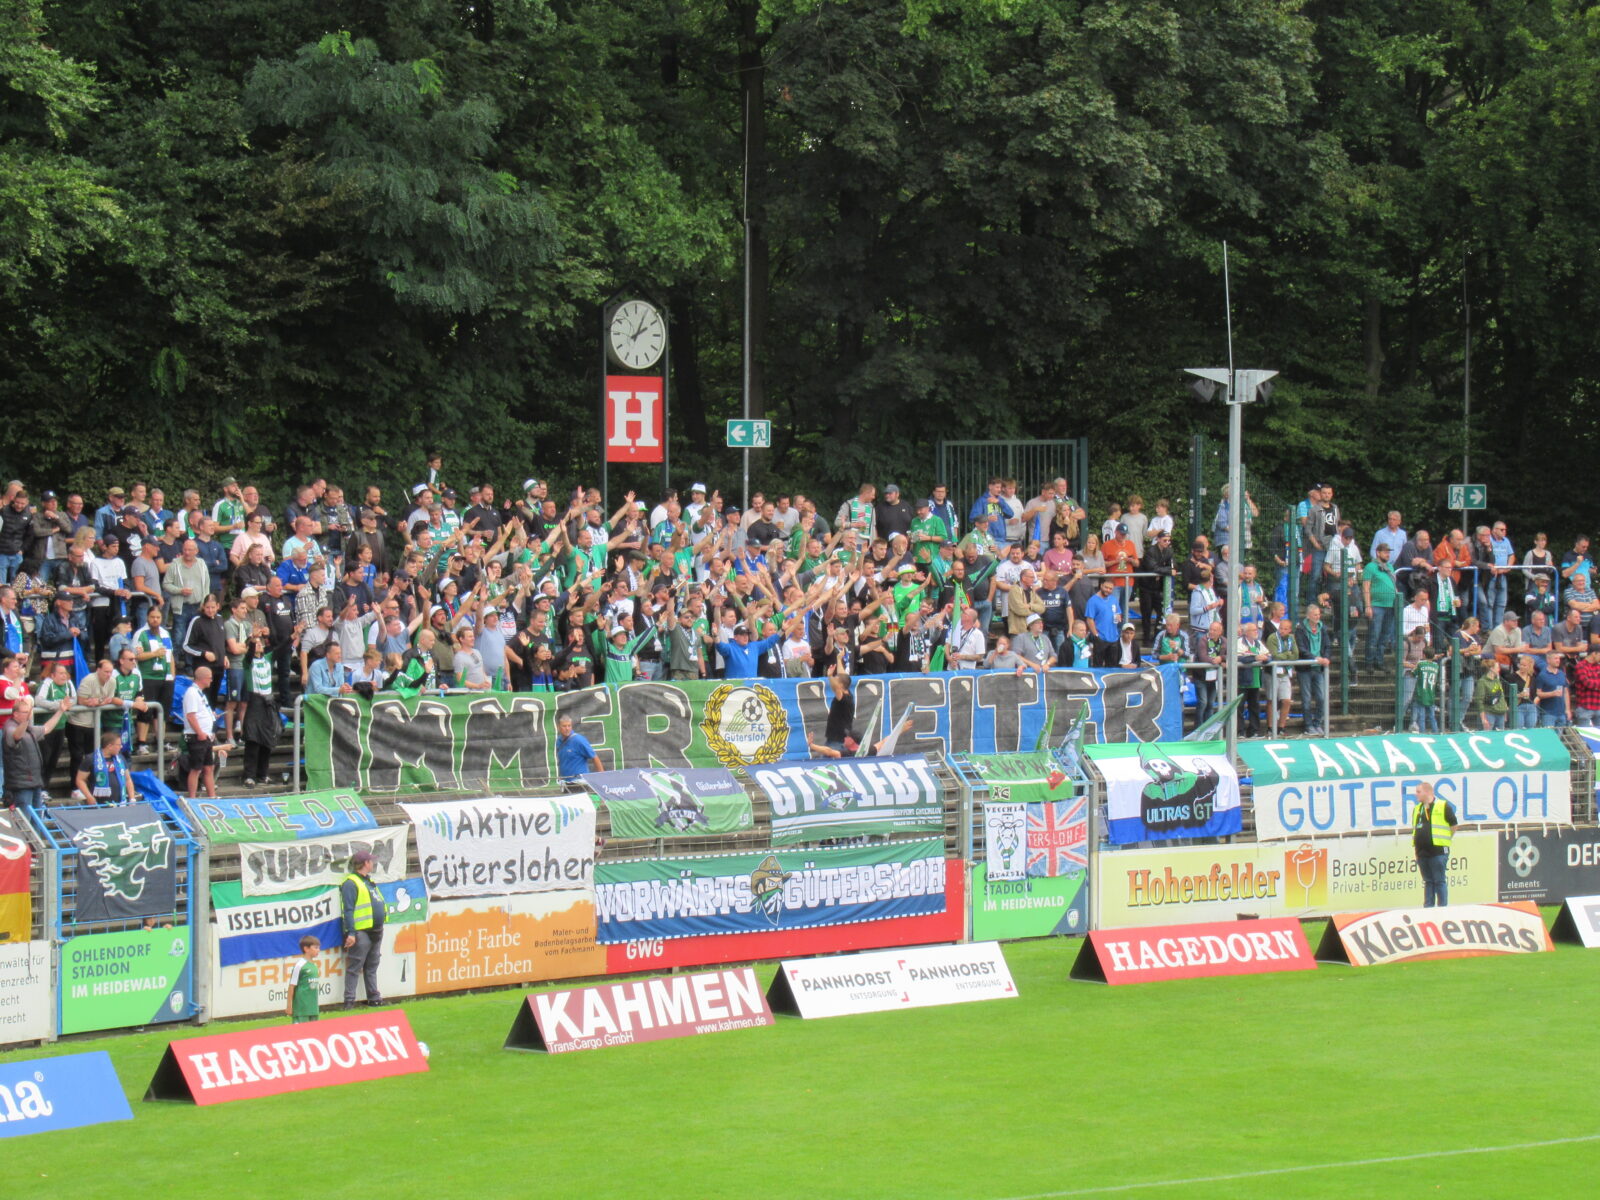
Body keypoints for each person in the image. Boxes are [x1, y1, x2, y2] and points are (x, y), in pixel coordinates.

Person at [5, 693, 69, 810]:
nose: (29, 714)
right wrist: (26, 721)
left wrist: (60, 711)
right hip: (21, 785)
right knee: (25, 819)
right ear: (15, 714)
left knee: (37, 819)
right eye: (25, 712)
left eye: (29, 711)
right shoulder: (10, 727)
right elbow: (16, 736)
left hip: (35, 782)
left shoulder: (30, 730)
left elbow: (47, 728)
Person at [341, 851, 385, 1009]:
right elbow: (348, 910)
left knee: (372, 964)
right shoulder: (350, 883)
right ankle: (349, 1001)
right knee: (355, 966)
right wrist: (351, 933)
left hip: (375, 929)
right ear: (365, 863)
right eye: (371, 861)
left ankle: (374, 997)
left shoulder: (368, 881)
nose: (373, 864)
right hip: (361, 931)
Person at [1411, 781, 1458, 908]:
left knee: (1439, 881)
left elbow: (1454, 825)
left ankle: (1442, 908)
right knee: (1428, 882)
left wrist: (1446, 839)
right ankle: (1428, 908)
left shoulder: (1442, 806)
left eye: (1418, 791)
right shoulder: (1417, 809)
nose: (1416, 795)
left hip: (1438, 851)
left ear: (1427, 792)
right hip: (1422, 852)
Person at [183, 664, 221, 799]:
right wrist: (199, 732)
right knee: (196, 769)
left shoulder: (200, 694)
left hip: (206, 736)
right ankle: (192, 798)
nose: (211, 680)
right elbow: (190, 715)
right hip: (197, 736)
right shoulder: (192, 693)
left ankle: (212, 796)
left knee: (208, 767)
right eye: (210, 678)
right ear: (203, 678)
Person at [286, 934, 322, 1023]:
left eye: (318, 948)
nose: (318, 950)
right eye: (316, 947)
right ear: (306, 949)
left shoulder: (314, 965)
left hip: (313, 1008)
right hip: (301, 1009)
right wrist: (289, 1006)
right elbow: (292, 986)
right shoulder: (300, 965)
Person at [556, 714, 599, 781]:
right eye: (564, 726)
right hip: (565, 782)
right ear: (558, 727)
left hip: (580, 782)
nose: (567, 728)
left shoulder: (579, 740)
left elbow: (594, 757)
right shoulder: (558, 741)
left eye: (569, 726)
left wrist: (602, 779)